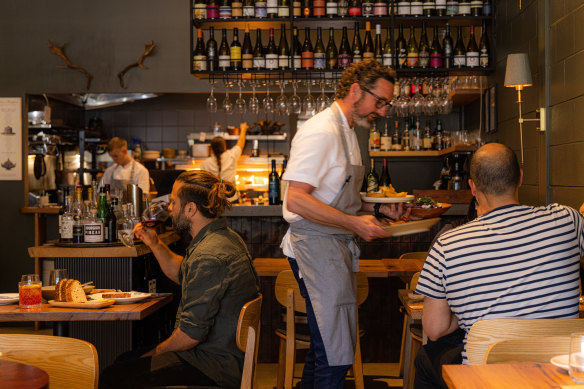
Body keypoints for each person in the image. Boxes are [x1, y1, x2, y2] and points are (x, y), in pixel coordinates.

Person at [280, 59, 409, 389]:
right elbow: (296, 199)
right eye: (379, 101)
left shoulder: (349, 131)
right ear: (355, 90)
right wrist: (354, 222)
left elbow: (337, 195)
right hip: (315, 248)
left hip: (333, 248)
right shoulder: (320, 131)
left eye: (386, 103)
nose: (382, 111)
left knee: (327, 346)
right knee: (335, 352)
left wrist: (378, 210)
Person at [414, 143, 584, 389]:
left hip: (485, 379)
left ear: (472, 187)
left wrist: (464, 315)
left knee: (426, 359)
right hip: (559, 375)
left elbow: (435, 329)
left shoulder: (447, 245)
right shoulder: (566, 221)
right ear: (521, 178)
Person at [99, 170, 260, 389]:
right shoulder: (222, 238)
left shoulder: (209, 255)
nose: (170, 208)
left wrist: (155, 352)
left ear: (191, 209)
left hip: (212, 365)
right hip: (221, 356)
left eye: (174, 202)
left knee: (113, 376)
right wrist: (154, 243)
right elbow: (182, 273)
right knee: (124, 362)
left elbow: (189, 337)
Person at [201, 122, 248, 188]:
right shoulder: (231, 155)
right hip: (231, 196)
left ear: (211, 150)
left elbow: (202, 182)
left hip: (213, 197)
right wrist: (243, 129)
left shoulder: (205, 163)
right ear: (224, 147)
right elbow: (240, 143)